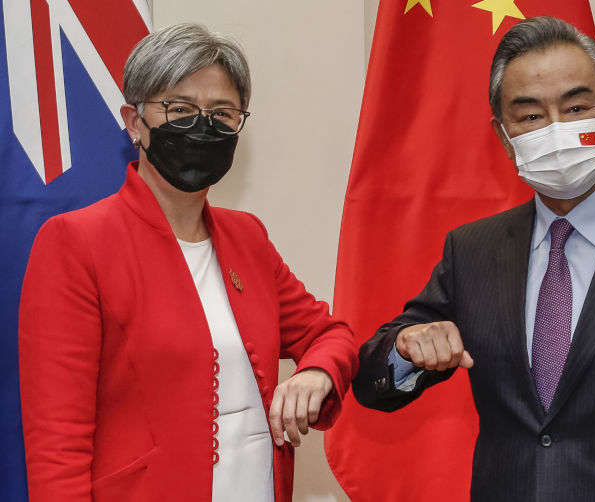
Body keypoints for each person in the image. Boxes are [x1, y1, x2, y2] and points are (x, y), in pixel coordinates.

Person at [354, 16, 595, 501]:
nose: (557, 129)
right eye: (531, 116)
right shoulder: (474, 250)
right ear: (504, 136)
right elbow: (374, 383)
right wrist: (404, 348)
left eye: (576, 107)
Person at [18, 23, 357, 502]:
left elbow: (331, 334)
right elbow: (58, 447)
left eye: (222, 113)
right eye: (179, 109)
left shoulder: (248, 237)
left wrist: (316, 373)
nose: (203, 127)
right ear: (134, 122)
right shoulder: (75, 243)